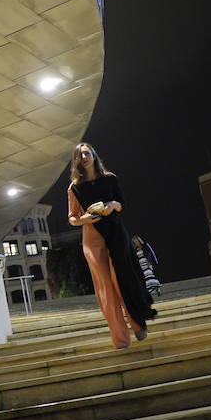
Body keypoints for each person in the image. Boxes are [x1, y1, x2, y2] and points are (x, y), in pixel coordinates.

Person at [67, 143, 157, 349]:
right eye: (79, 155)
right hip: (92, 240)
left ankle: (137, 324)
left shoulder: (110, 178)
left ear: (93, 155)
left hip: (116, 235)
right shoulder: (74, 188)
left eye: (86, 153)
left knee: (123, 280)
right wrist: (86, 218)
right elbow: (72, 218)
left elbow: (121, 204)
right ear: (76, 161)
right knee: (106, 290)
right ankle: (120, 339)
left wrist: (111, 206)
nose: (84, 157)